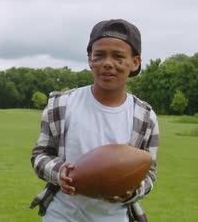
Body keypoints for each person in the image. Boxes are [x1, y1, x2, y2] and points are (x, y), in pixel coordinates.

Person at [29, 19, 159, 222]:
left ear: (135, 62)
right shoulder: (61, 104)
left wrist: (131, 190)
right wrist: (60, 173)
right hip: (62, 216)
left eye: (118, 56)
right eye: (99, 56)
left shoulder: (144, 117)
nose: (108, 63)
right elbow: (40, 155)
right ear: (90, 59)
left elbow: (148, 172)